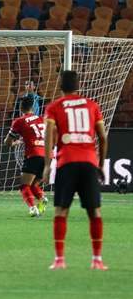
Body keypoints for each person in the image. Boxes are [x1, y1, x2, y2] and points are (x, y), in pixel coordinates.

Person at [42, 70, 108, 271]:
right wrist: (100, 165)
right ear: (78, 85)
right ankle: (97, 260)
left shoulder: (54, 107)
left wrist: (47, 165)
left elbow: (48, 136)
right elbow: (103, 138)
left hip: (67, 162)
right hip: (89, 162)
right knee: (94, 212)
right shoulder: (92, 105)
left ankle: (59, 260)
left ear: (60, 85)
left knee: (61, 211)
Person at [4, 95, 48, 217]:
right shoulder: (42, 119)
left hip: (34, 154)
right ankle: (42, 198)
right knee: (33, 185)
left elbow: (7, 142)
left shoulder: (19, 121)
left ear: (20, 108)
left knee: (24, 186)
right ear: (33, 107)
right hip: (48, 155)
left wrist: (16, 142)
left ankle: (33, 208)